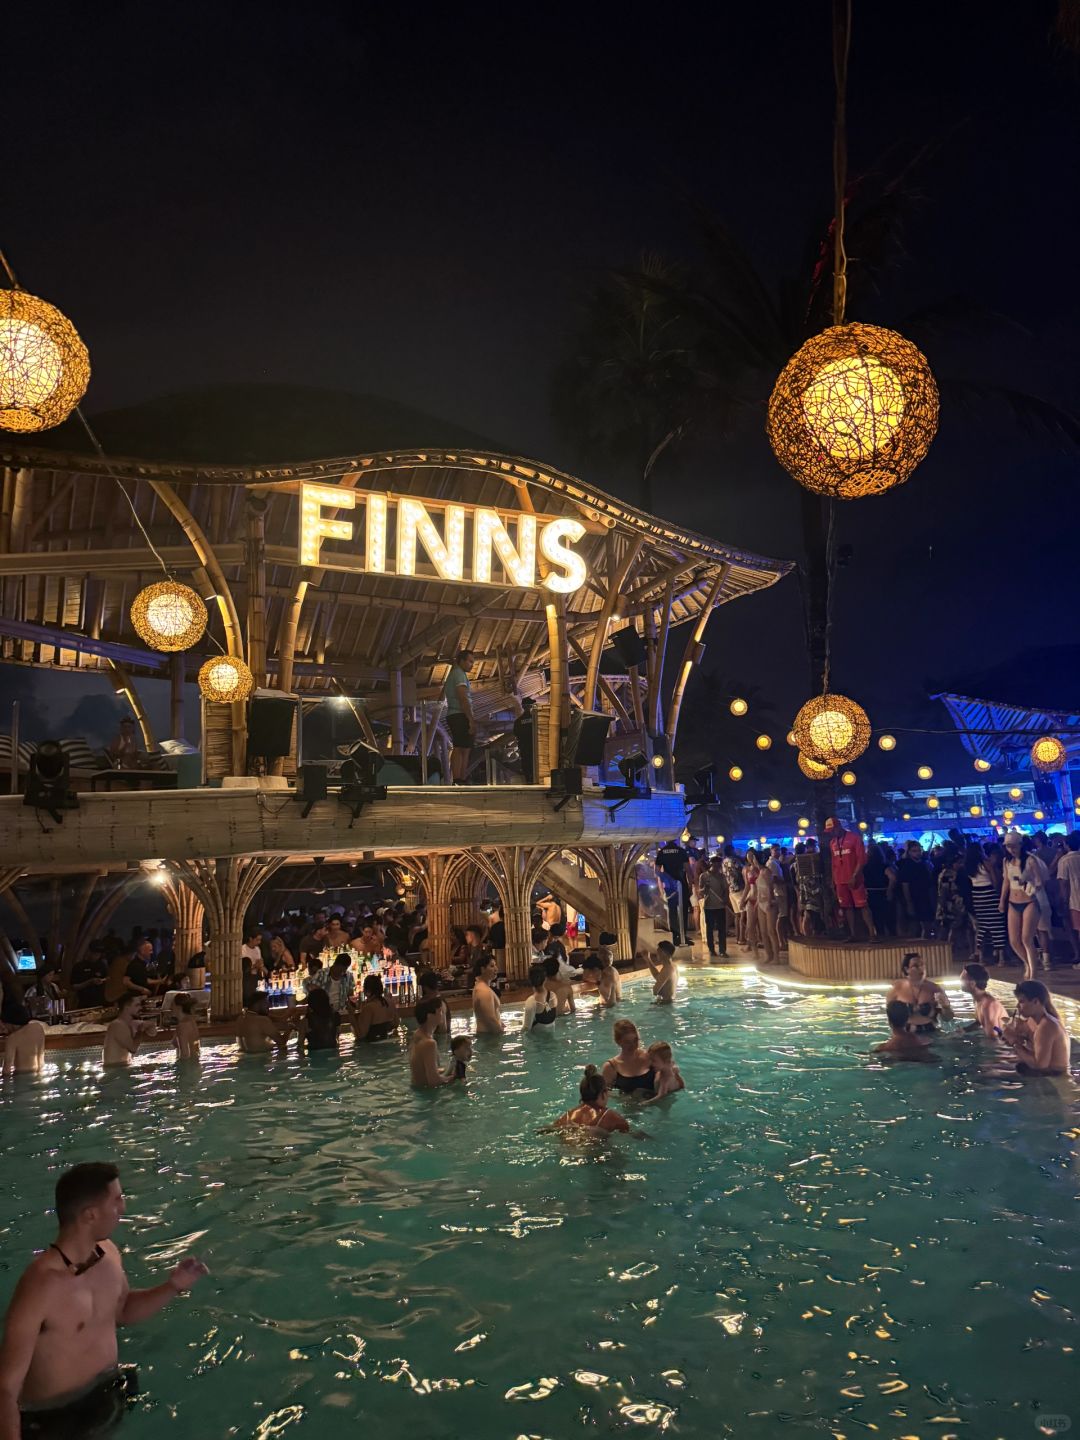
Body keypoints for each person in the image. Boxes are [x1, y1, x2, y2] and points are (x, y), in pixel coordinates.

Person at [0, 1162, 207, 1438]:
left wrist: (172, 1287)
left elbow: (122, 1310)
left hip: (106, 1391)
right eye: (117, 1200)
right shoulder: (40, 1286)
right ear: (90, 1215)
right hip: (54, 1416)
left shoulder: (108, 1255)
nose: (123, 1208)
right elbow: (6, 1388)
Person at [999, 832, 1042, 980]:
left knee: (1026, 938)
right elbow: (1006, 882)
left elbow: (1040, 881)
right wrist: (1001, 901)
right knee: (1014, 940)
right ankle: (1028, 963)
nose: (1011, 849)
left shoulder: (1030, 860)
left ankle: (1033, 973)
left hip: (1029, 901)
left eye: (1013, 846)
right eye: (1008, 846)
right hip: (1013, 902)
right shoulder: (1006, 861)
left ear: (1020, 845)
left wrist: (1031, 885)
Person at [826, 817, 875, 941]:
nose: (832, 833)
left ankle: (872, 934)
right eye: (830, 831)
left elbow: (862, 859)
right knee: (846, 907)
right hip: (840, 880)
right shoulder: (832, 843)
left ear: (838, 827)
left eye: (833, 830)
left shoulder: (854, 838)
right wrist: (833, 881)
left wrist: (854, 876)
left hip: (855, 880)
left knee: (863, 905)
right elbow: (834, 863)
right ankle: (853, 934)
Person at [1009, 980, 1070, 1076]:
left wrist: (1014, 1042)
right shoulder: (1034, 1021)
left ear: (1035, 1002)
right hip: (1047, 1077)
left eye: (1021, 1001)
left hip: (1056, 1081)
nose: (1017, 1006)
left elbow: (1040, 1066)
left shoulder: (1046, 1027)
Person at [551, 1065, 631, 1135]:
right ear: (603, 1094)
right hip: (594, 1148)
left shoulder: (567, 1116)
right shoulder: (609, 1115)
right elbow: (630, 1133)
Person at [887, 953, 954, 1036]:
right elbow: (891, 1020)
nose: (921, 968)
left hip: (931, 1032)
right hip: (906, 1034)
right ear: (906, 969)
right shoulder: (896, 990)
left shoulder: (934, 989)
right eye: (916, 966)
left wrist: (946, 1007)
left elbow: (948, 1018)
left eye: (922, 965)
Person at [964, 843, 1007, 965]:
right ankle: (1001, 958)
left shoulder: (968, 866)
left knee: (982, 927)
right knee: (996, 926)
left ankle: (981, 956)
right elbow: (995, 880)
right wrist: (999, 894)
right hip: (989, 894)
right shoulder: (985, 863)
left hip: (977, 895)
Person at [444, 649, 475, 784]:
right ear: (461, 661)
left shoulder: (455, 674)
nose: (471, 664)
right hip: (459, 714)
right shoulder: (459, 674)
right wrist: (471, 719)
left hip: (457, 714)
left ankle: (461, 778)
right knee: (460, 747)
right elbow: (463, 697)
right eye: (469, 661)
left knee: (465, 747)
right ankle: (457, 778)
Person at [602, 1019, 655, 1096]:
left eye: (635, 1040)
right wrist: (626, 1098)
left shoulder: (650, 1056)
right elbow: (604, 1093)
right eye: (627, 1042)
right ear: (618, 1042)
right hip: (630, 1107)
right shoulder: (611, 1067)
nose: (633, 1045)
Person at [410, 998, 454, 1086]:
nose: (443, 1014)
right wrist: (455, 1077)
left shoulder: (417, 1035)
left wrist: (448, 1069)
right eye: (440, 1011)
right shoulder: (429, 1043)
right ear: (430, 1016)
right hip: (427, 1094)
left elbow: (423, 1070)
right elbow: (434, 1081)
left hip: (419, 1090)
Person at [960, 962, 1009, 1040]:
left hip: (1004, 1045)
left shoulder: (988, 1005)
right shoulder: (978, 1000)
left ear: (972, 983)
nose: (960, 982)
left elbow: (994, 1036)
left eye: (962, 980)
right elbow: (980, 1022)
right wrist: (963, 1030)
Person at [102, 995, 154, 1067]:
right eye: (137, 1005)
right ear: (127, 1008)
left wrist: (150, 1026)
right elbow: (133, 1048)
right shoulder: (117, 1025)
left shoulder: (128, 1024)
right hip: (115, 1070)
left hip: (121, 1068)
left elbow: (153, 1033)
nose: (140, 1008)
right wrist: (140, 1030)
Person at [898, 841, 935, 940]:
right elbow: (905, 884)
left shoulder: (924, 864)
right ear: (909, 852)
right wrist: (909, 902)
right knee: (916, 923)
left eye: (919, 850)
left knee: (926, 923)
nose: (918, 853)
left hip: (925, 896)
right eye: (914, 851)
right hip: (915, 897)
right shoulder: (907, 865)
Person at [1, 1002, 46, 1077]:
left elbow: (6, 1070)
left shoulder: (13, 1038)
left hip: (22, 1078)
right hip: (39, 1075)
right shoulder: (38, 1028)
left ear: (9, 1023)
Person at [697, 856, 730, 958]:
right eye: (715, 865)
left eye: (719, 865)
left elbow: (726, 890)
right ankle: (711, 950)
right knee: (710, 929)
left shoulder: (722, 876)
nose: (717, 867)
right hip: (709, 906)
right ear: (711, 865)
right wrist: (704, 888)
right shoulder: (703, 876)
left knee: (722, 929)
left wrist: (725, 899)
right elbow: (700, 893)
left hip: (720, 906)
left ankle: (722, 950)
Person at [352, 973, 399, 1042]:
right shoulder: (390, 1002)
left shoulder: (369, 1007)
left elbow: (361, 1035)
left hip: (373, 1047)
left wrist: (351, 1015)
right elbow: (396, 1023)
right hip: (390, 1043)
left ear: (367, 991)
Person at [793, 840, 824, 937]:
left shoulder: (816, 857)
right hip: (809, 892)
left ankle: (809, 936)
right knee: (810, 915)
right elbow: (798, 879)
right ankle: (810, 936)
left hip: (811, 892)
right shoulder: (803, 860)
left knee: (809, 914)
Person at [1059, 831, 1080, 966]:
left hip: (1074, 900)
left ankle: (1077, 954)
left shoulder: (1065, 860)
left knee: (1076, 929)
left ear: (1067, 845)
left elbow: (1063, 884)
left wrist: (1063, 901)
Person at [722, 845, 748, 947]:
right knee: (743, 914)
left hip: (731, 889)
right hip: (739, 888)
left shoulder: (723, 861)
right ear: (731, 851)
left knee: (737, 915)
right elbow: (743, 869)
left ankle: (738, 937)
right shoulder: (734, 860)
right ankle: (742, 938)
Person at [299, 986, 340, 1051]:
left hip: (315, 1056)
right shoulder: (335, 1016)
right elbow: (337, 1038)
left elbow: (300, 1045)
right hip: (332, 1053)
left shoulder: (306, 1020)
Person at [521, 964, 559, 1030]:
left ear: (530, 980)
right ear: (545, 979)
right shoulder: (553, 996)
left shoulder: (531, 1001)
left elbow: (526, 1029)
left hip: (535, 1039)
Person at [415, 971, 450, 1037]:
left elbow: (443, 1029)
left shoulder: (438, 1003)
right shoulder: (439, 1000)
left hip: (437, 1040)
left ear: (424, 987)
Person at [513, 695, 537, 783]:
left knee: (526, 765)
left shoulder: (518, 722)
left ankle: (529, 780)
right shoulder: (535, 720)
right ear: (530, 707)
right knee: (535, 764)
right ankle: (535, 780)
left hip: (524, 747)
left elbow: (516, 734)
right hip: (535, 747)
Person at [172, 994, 201, 1061]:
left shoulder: (182, 1025)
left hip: (187, 1066)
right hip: (195, 1062)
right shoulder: (192, 1021)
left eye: (172, 1005)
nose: (170, 1008)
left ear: (178, 1007)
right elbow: (196, 1049)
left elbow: (185, 1053)